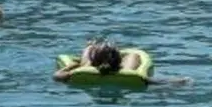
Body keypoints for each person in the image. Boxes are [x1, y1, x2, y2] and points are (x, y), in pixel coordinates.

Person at [53, 39, 190, 86]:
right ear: (119, 62)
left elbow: (57, 76)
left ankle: (90, 47)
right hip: (122, 78)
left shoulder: (80, 72)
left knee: (88, 51)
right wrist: (183, 80)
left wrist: (76, 65)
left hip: (88, 73)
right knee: (133, 55)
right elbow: (162, 82)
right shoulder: (132, 76)